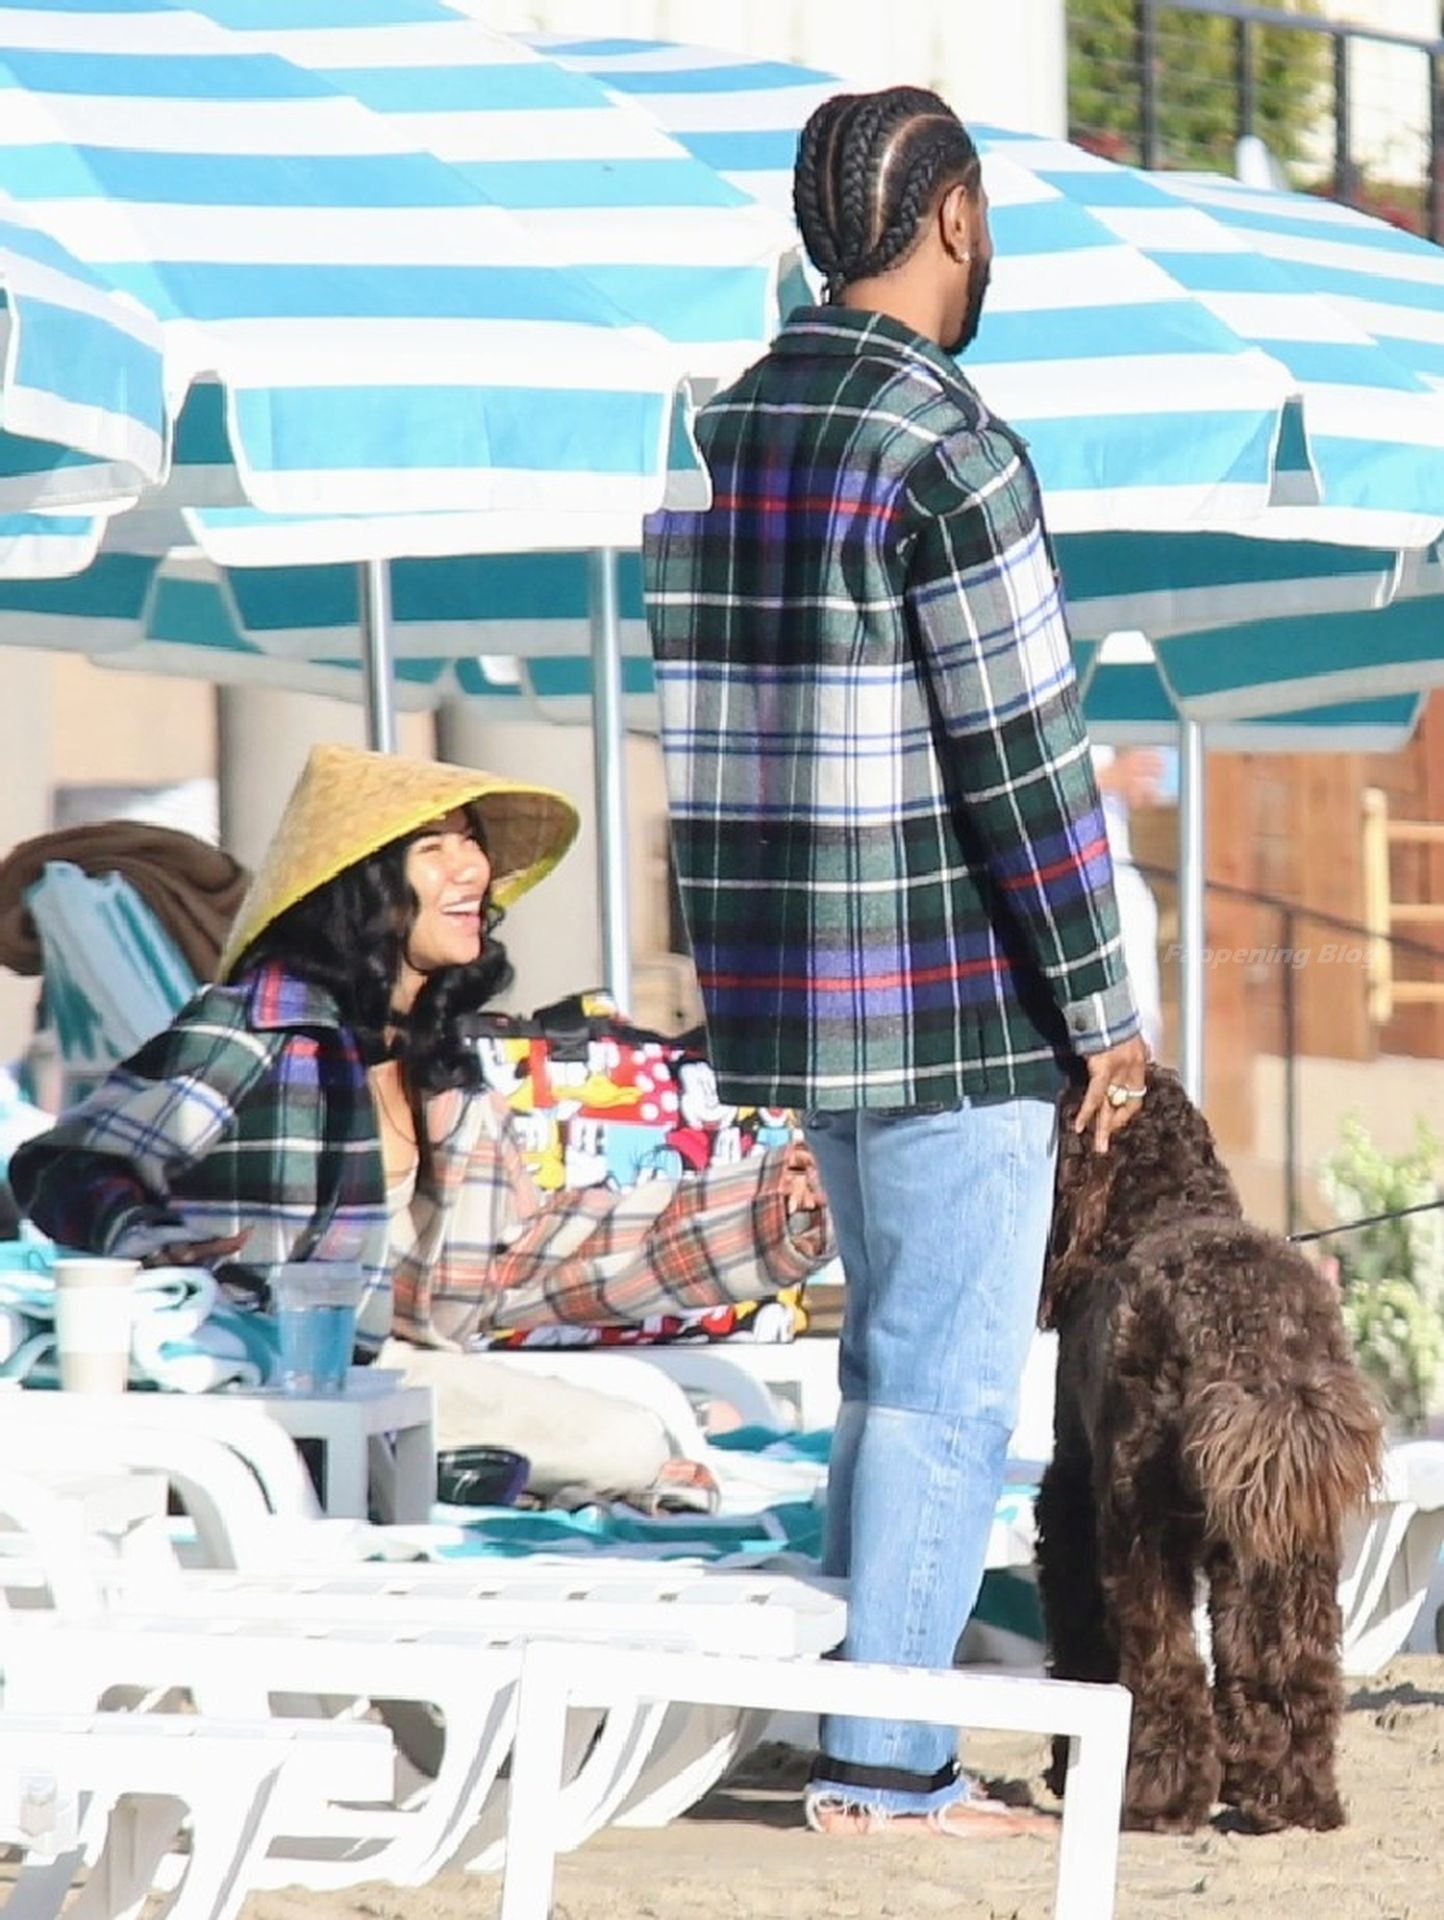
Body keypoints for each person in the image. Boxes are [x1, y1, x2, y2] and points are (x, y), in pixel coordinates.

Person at [643, 87, 1150, 1836]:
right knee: (938, 1390)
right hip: (941, 997)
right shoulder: (946, 445)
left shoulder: (714, 433)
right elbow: (1023, 758)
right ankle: (885, 1764)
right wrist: (1104, 1015)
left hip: (789, 993)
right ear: (953, 216)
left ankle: (857, 1730)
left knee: (881, 1377)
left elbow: (698, 740)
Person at [11, 744, 831, 1496]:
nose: (472, 866)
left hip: (388, 1376)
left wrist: (764, 1210)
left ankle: (485, 1477)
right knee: (629, 1450)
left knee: (632, 1441)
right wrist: (148, 1244)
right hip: (267, 1385)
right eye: (434, 846)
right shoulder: (255, 1029)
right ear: (363, 885)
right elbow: (65, 1165)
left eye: (471, 840)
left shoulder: (450, 1070)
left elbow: (526, 1257)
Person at [1092, 746, 1167, 1057]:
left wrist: (1132, 779)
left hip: (1118, 880)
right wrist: (1109, 777)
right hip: (1076, 884)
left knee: (1139, 1019)